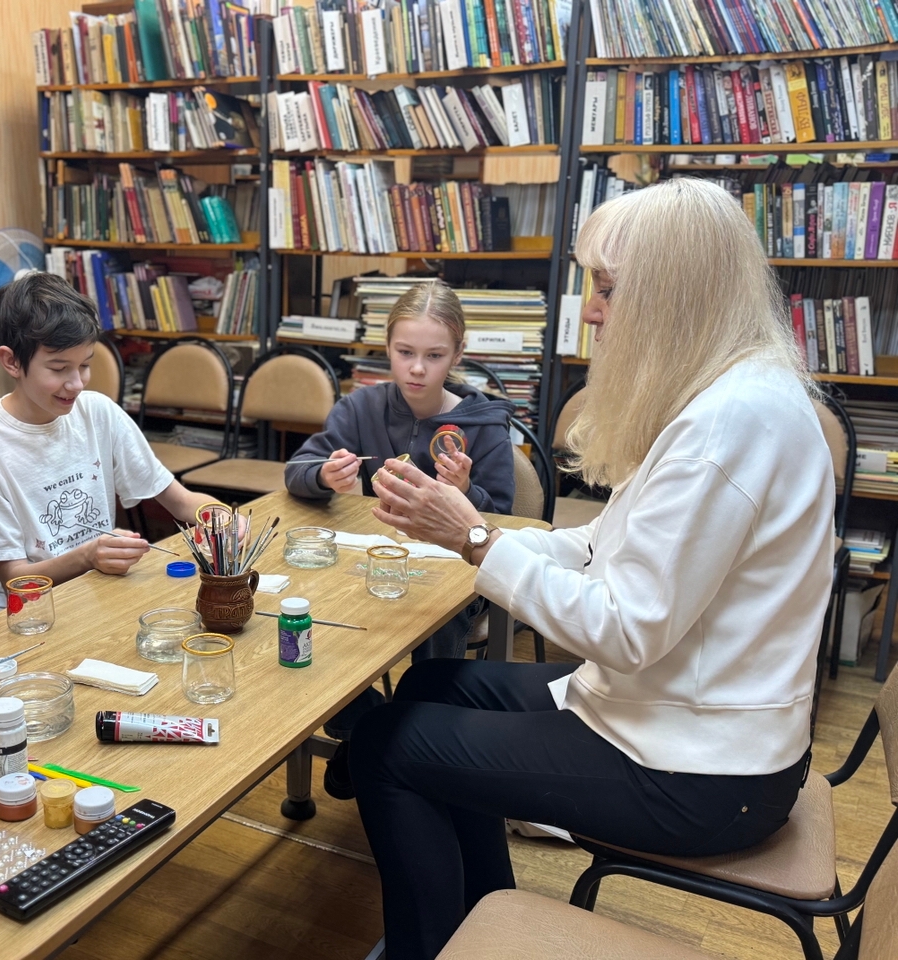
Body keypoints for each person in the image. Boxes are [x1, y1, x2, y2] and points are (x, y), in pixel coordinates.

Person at [354, 178, 834, 960]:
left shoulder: (728, 426)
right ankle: (477, 919)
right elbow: (595, 545)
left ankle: (431, 947)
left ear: (673, 296)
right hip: (679, 720)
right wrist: (472, 532)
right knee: (432, 685)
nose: (592, 312)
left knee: (384, 748)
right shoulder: (727, 396)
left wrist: (477, 543)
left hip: (701, 775)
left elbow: (624, 629)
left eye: (607, 289)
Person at [284, 280, 516, 800]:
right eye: (405, 352)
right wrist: (324, 475)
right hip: (370, 561)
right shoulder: (360, 408)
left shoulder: (483, 423)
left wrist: (467, 493)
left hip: (454, 572)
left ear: (457, 354)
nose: (417, 369)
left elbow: (505, 518)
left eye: (434, 356)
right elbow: (297, 470)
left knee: (437, 618)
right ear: (386, 347)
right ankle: (365, 729)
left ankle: (421, 734)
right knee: (304, 605)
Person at [0, 271, 222, 624]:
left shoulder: (98, 412)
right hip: (10, 614)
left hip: (88, 592)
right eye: (59, 368)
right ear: (12, 361)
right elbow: (16, 581)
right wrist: (87, 556)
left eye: (85, 365)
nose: (76, 383)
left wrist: (222, 519)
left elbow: (181, 500)